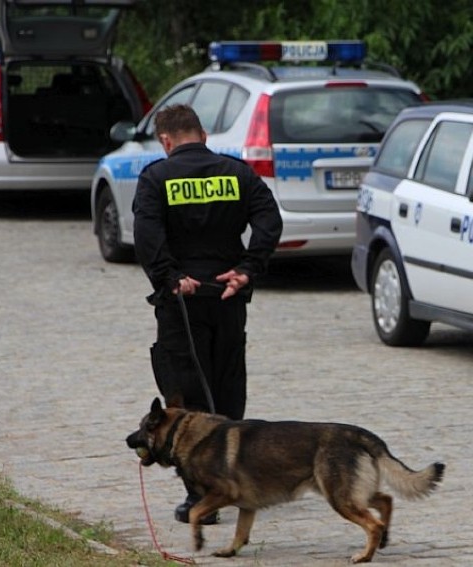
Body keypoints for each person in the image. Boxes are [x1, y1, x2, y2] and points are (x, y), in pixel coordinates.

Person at [132, 104, 283, 524]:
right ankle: (235, 482)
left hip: (183, 300)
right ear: (202, 135)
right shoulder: (238, 173)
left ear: (166, 141)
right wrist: (249, 269)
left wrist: (170, 277)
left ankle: (202, 495)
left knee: (186, 393)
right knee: (228, 388)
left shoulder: (156, 178)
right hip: (227, 295)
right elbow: (269, 220)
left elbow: (147, 236)